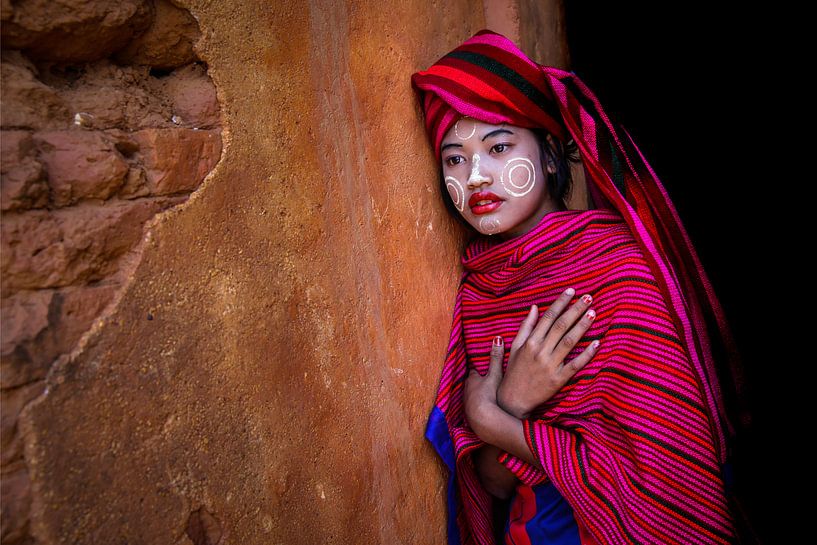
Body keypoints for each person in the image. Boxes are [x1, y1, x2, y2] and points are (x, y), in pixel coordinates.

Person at [411, 30, 756, 545]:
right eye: (454, 158)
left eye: (499, 146)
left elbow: (668, 475)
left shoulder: (617, 267)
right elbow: (492, 481)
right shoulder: (480, 292)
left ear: (551, 156)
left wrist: (492, 416)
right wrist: (516, 401)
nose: (477, 176)